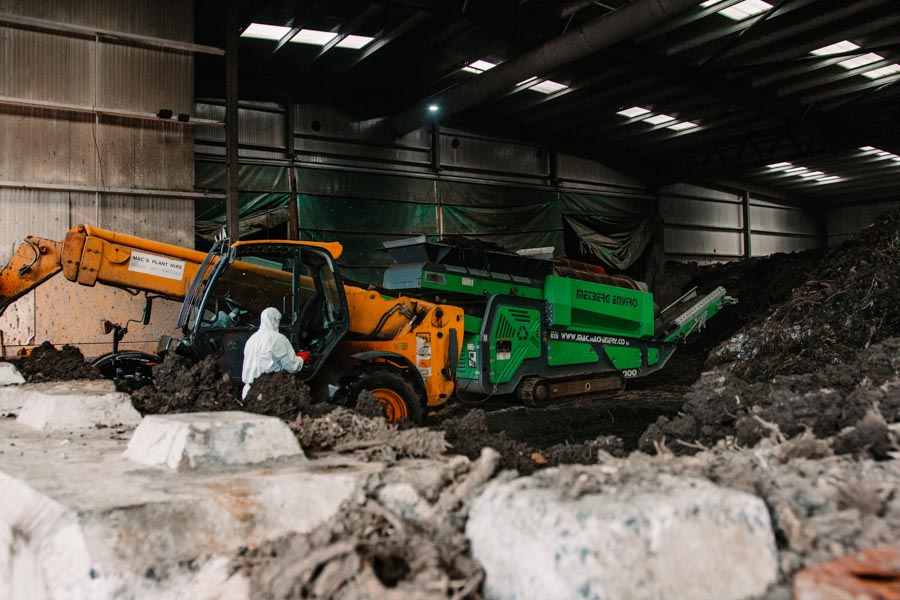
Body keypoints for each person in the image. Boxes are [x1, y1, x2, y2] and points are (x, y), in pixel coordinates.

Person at [241, 307, 306, 399]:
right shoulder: (278, 339)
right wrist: (302, 359)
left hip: (248, 391)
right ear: (276, 320)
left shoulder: (252, 339)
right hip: (269, 391)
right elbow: (292, 366)